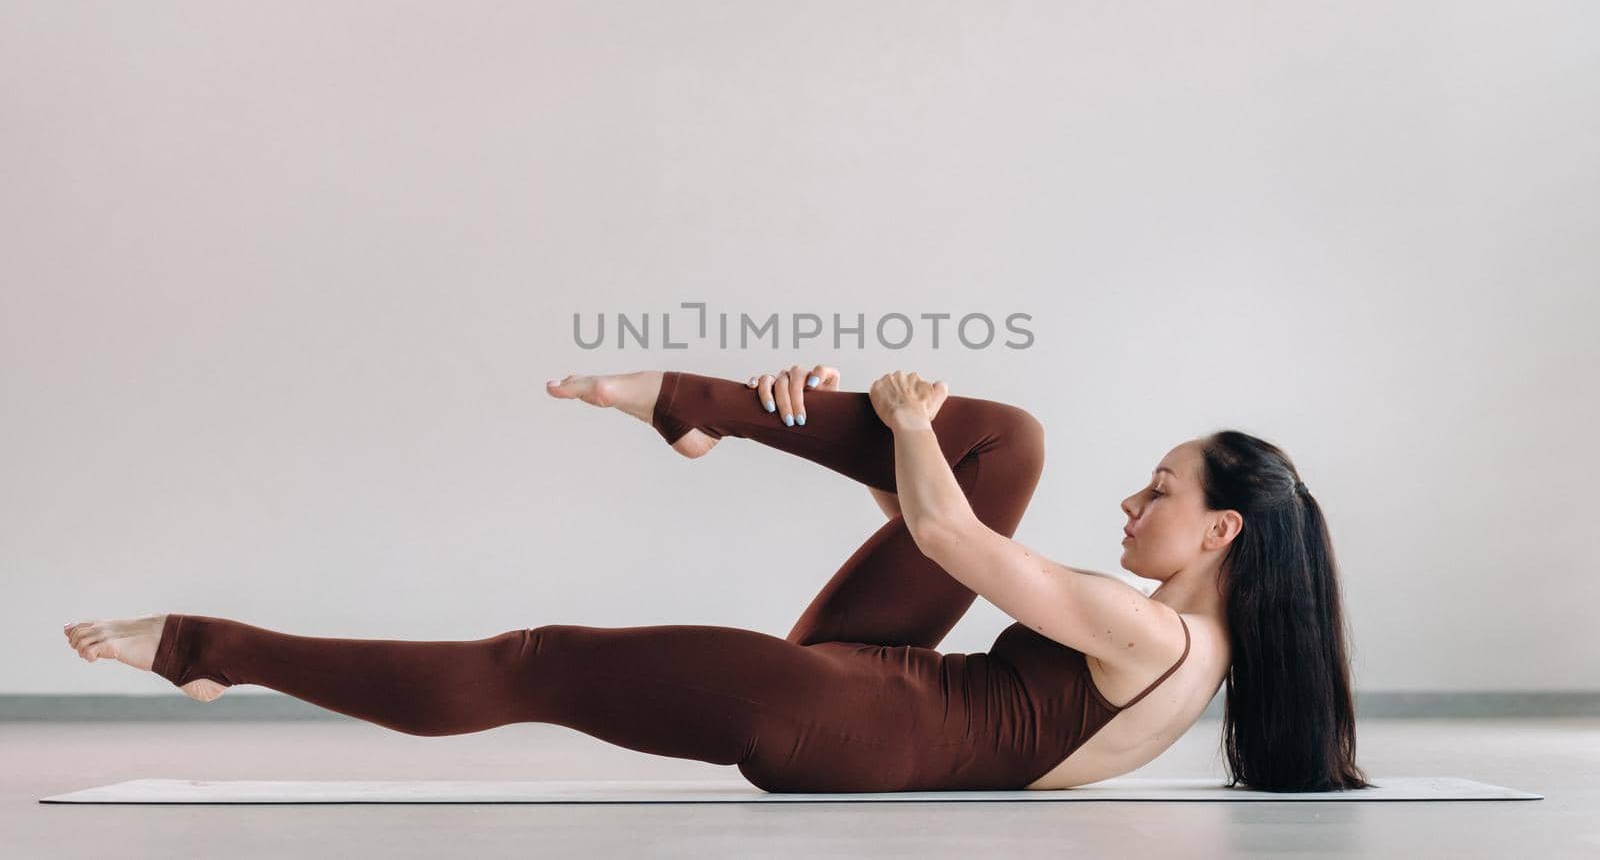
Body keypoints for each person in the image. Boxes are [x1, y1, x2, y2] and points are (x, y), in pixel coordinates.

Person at [63, 365, 1369, 792]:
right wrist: (863, 443)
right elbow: (941, 533)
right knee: (1006, 443)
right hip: (884, 691)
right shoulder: (1187, 656)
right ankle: (707, 412)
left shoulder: (1152, 639)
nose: (1134, 503)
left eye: (1161, 493)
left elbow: (962, 547)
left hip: (844, 726)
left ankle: (205, 647)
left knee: (539, 663)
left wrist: (905, 424)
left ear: (1220, 537)